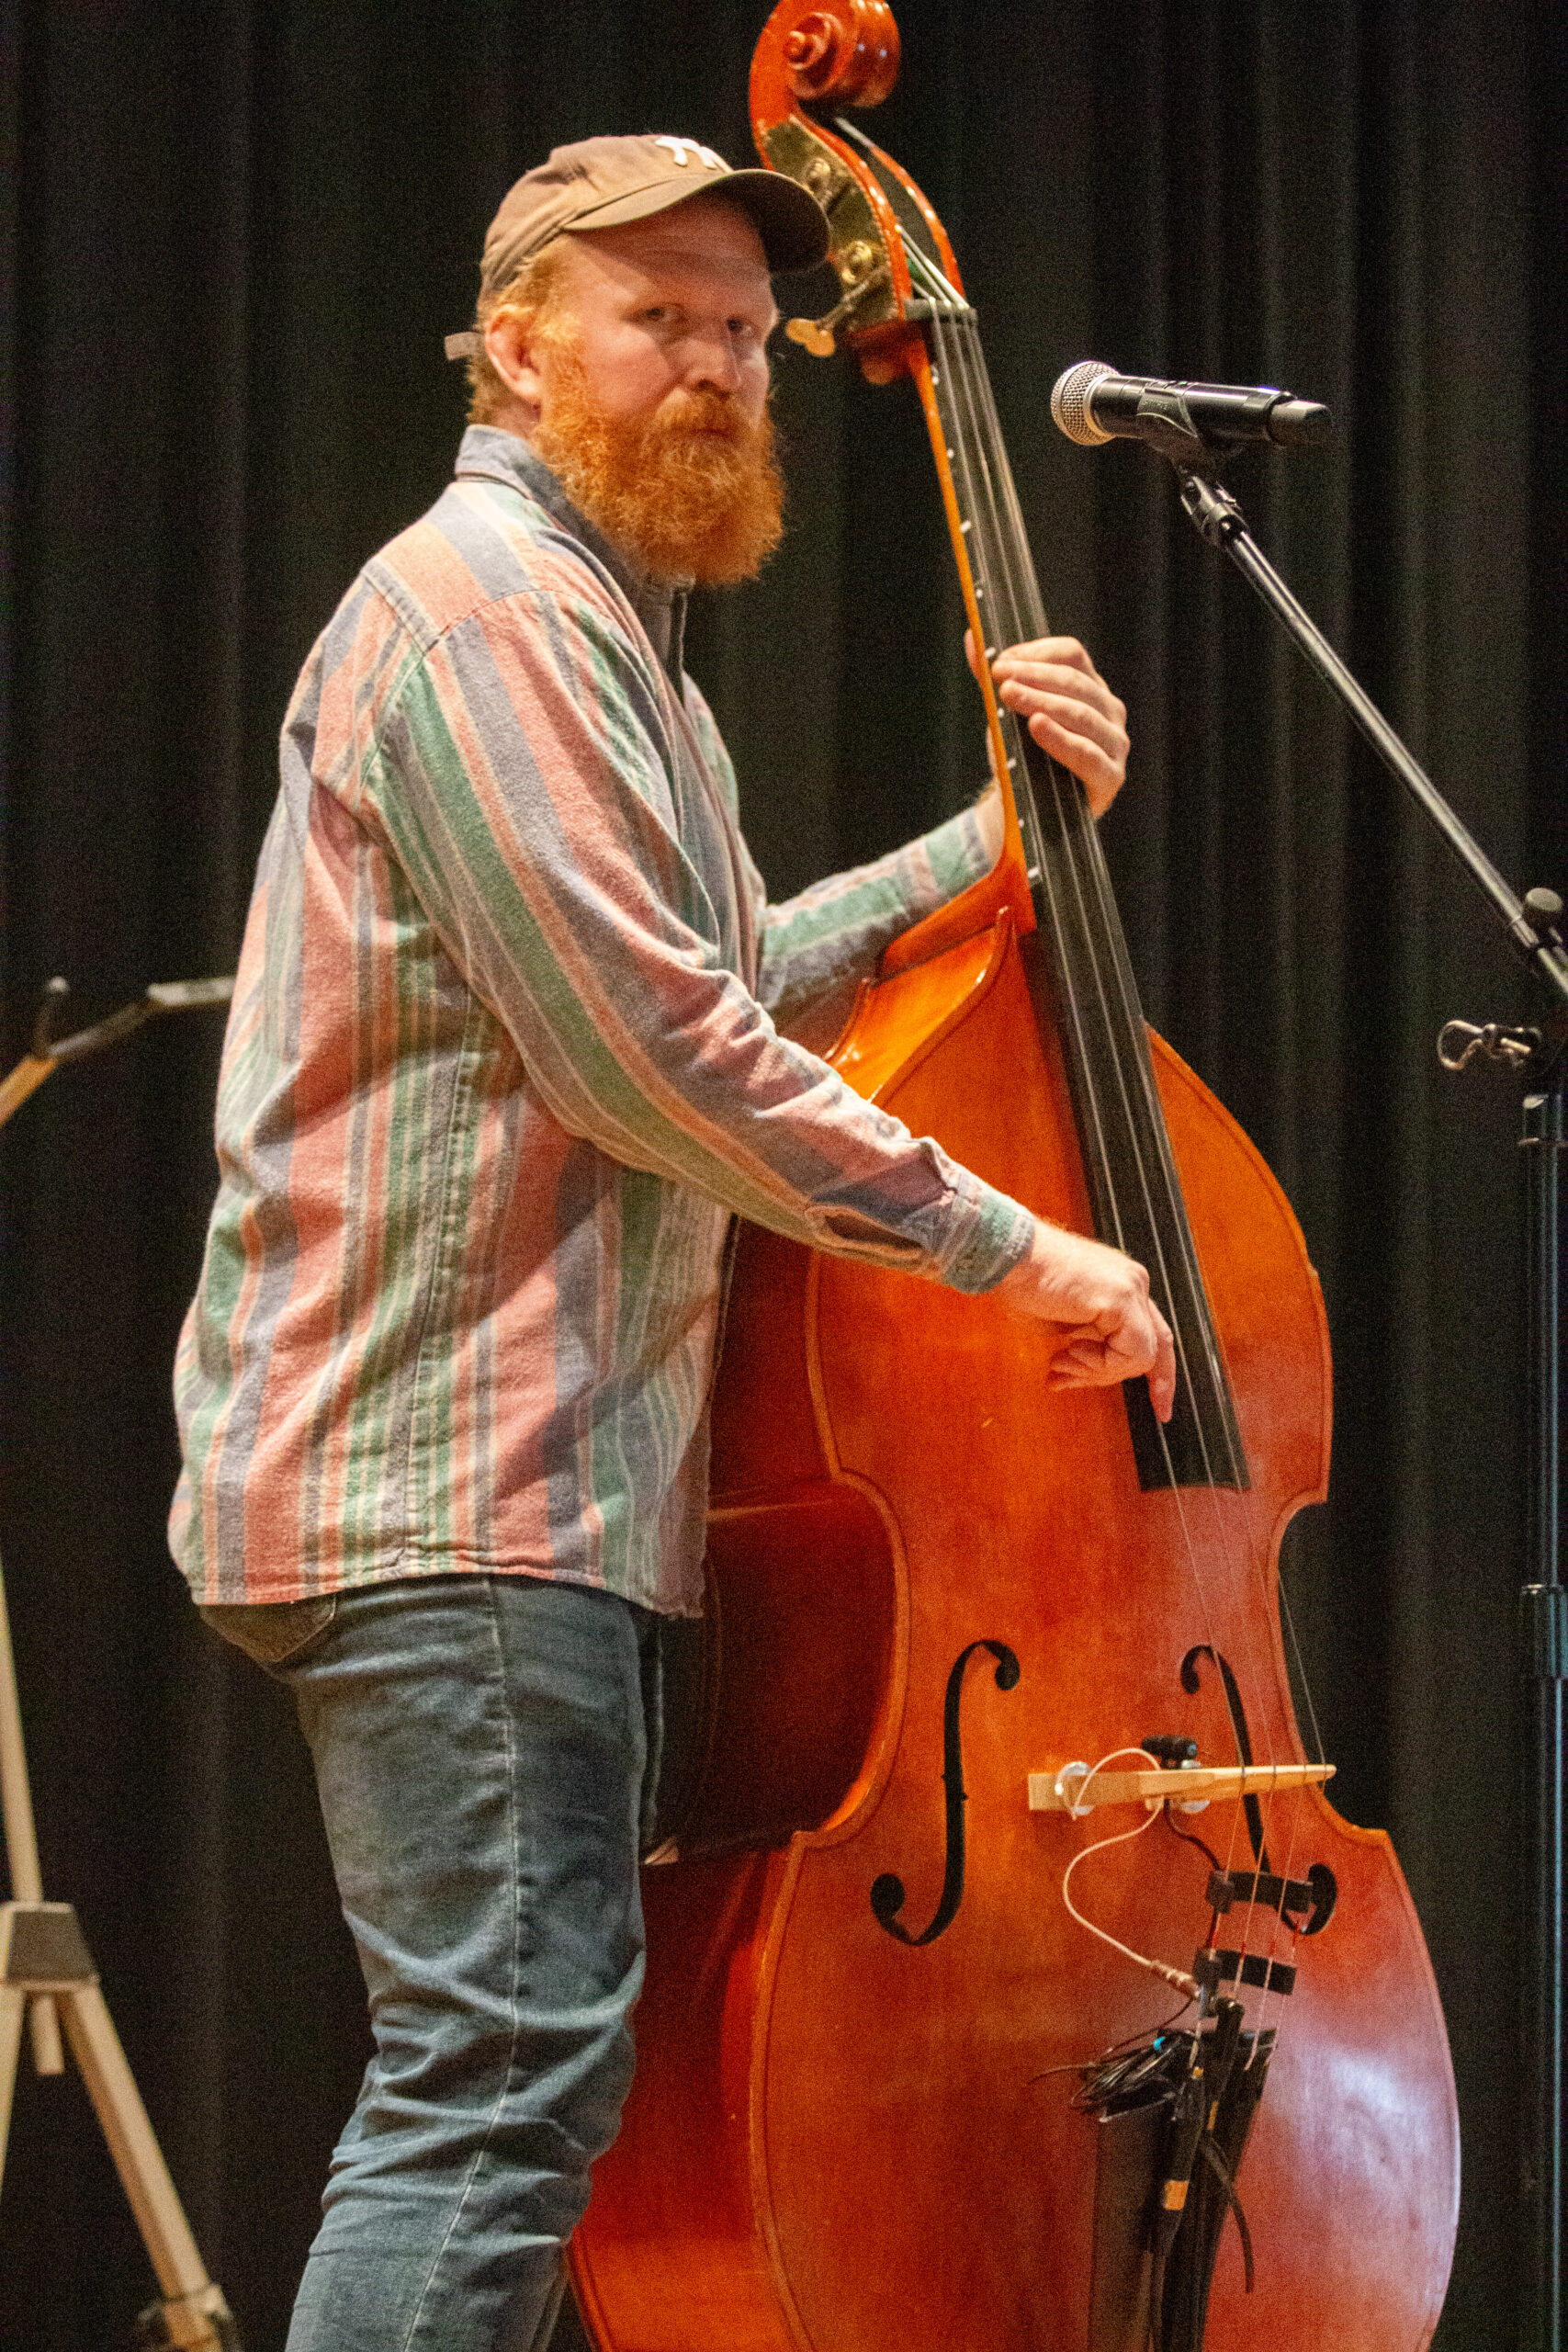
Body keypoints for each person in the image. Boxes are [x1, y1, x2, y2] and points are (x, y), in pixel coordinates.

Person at [170, 136, 1174, 2352]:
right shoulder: (492, 610)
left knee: (518, 2089)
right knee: (495, 2091)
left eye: (742, 328)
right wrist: (1028, 1251)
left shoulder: (599, 633)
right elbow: (651, 1051)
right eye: (660, 317)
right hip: (454, 1476)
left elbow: (711, 971)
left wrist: (990, 846)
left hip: (519, 1485)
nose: (718, 363)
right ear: (516, 343)